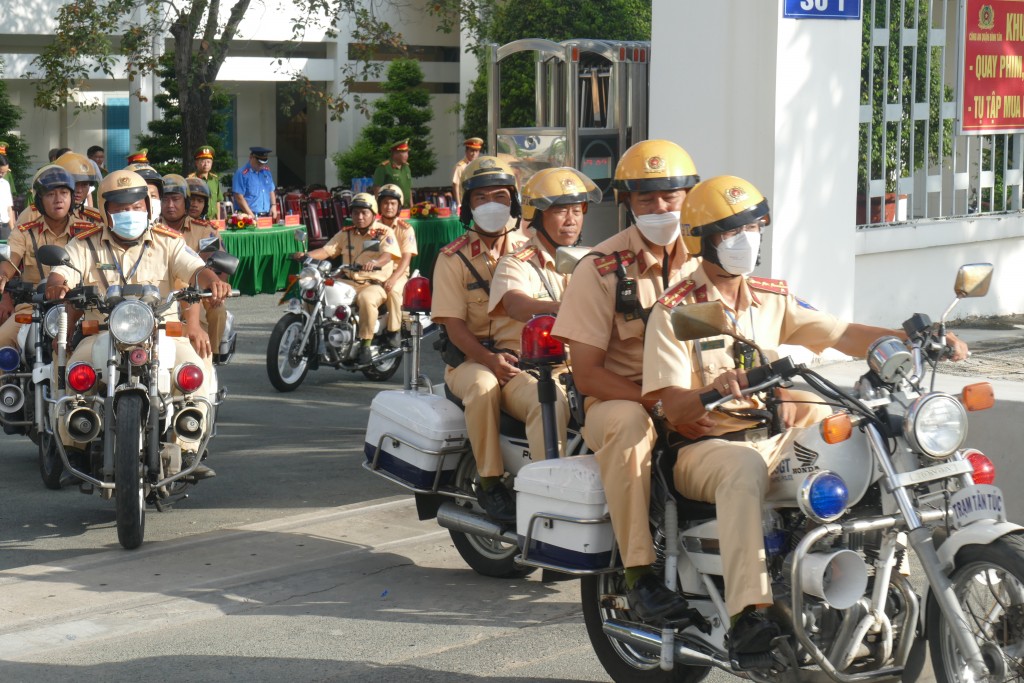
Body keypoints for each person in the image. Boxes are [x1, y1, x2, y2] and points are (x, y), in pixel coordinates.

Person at [641, 174, 970, 657]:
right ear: (703, 242)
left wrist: (913, 338)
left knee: (857, 445)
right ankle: (748, 616)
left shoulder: (772, 295)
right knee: (742, 469)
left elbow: (841, 334)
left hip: (774, 437)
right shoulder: (676, 310)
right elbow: (671, 405)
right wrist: (711, 388)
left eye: (753, 227)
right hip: (705, 448)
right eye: (730, 232)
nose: (745, 239)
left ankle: (879, 586)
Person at [551, 139, 700, 623]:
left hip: (693, 391)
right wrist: (658, 406)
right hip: (621, 398)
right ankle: (640, 575)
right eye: (646, 199)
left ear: (687, 198)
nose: (660, 208)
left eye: (670, 196)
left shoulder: (707, 259)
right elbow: (587, 372)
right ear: (627, 203)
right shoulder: (601, 266)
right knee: (631, 426)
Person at [44, 169, 231, 478]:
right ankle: (73, 442)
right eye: (119, 207)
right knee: (74, 372)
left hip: (163, 333)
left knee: (196, 369)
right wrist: (57, 283)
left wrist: (213, 281)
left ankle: (188, 443)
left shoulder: (168, 242)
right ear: (105, 211)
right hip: (101, 331)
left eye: (135, 206)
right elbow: (64, 270)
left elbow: (195, 269)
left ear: (147, 206)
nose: (128, 213)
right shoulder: (85, 244)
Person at [429, 156, 529, 522]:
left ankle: (546, 480)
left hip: (522, 358)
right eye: (481, 198)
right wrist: (489, 361)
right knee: (485, 387)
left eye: (500, 197)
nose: (491, 205)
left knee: (553, 398)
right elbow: (454, 327)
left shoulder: (528, 249)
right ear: (468, 206)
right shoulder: (452, 259)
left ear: (513, 203)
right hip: (470, 362)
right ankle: (489, 482)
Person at [487, 166, 602, 459]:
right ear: (538, 216)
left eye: (577, 210)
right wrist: (559, 308)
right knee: (547, 404)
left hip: (582, 368)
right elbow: (516, 304)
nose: (571, 220)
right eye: (560, 211)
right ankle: (548, 486)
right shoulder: (516, 263)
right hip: (527, 370)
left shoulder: (592, 261)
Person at [0, 166, 99, 356]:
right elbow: (10, 261)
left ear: (71, 198)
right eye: (50, 194)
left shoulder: (88, 232)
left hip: (79, 306)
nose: (58, 199)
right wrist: (3, 276)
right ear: (39, 200)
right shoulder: (25, 231)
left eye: (64, 193)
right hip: (33, 307)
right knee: (2, 340)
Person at [300, 192, 401, 364]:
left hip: (373, 283)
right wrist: (306, 255)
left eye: (364, 213)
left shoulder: (384, 232)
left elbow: (388, 255)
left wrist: (376, 262)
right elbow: (327, 250)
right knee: (316, 292)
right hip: (347, 281)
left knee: (366, 299)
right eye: (355, 213)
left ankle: (365, 345)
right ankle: (313, 337)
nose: (359, 217)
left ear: (373, 214)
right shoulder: (346, 233)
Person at [160, 174, 227, 363]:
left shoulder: (205, 230)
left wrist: (218, 289)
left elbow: (219, 265)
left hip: (196, 291)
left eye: (175, 199)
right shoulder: (151, 229)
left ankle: (210, 358)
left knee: (219, 309)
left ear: (185, 202)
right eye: (165, 199)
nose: (170, 205)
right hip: (163, 291)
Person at [375, 184, 417, 347]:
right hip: (376, 272)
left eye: (393, 203)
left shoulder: (405, 229)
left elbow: (406, 259)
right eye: (385, 203)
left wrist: (393, 278)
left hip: (397, 273)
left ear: (399, 206)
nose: (389, 207)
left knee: (391, 290)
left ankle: (394, 331)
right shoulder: (373, 228)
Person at [233, 146, 278, 221]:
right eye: (258, 162)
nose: (261, 165)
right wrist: (251, 216)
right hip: (247, 216)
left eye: (263, 163)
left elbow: (271, 190)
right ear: (251, 157)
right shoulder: (242, 173)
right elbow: (239, 197)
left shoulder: (266, 172)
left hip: (265, 215)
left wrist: (273, 205)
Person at [372, 140, 412, 208]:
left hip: (406, 207)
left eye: (407, 153)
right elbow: (377, 188)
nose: (406, 156)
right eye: (403, 153)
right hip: (391, 208)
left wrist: (412, 206)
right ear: (395, 153)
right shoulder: (384, 167)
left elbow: (409, 189)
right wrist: (379, 207)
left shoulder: (406, 167)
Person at [187, 145, 225, 219]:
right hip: (197, 220)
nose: (206, 164)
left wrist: (218, 219)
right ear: (196, 163)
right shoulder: (191, 180)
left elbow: (218, 201)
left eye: (208, 162)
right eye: (203, 161)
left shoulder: (214, 180)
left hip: (213, 220)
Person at [452, 137, 483, 207]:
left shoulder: (479, 165)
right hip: (465, 203)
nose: (474, 154)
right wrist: (459, 204)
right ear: (466, 151)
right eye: (472, 150)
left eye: (476, 151)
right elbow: (455, 185)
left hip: (478, 202)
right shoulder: (460, 166)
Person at [0, 154, 13, 240]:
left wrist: (12, 229)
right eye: (0, 171)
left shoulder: (5, 184)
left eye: (4, 172)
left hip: (5, 228)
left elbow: (9, 208)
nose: (1, 174)